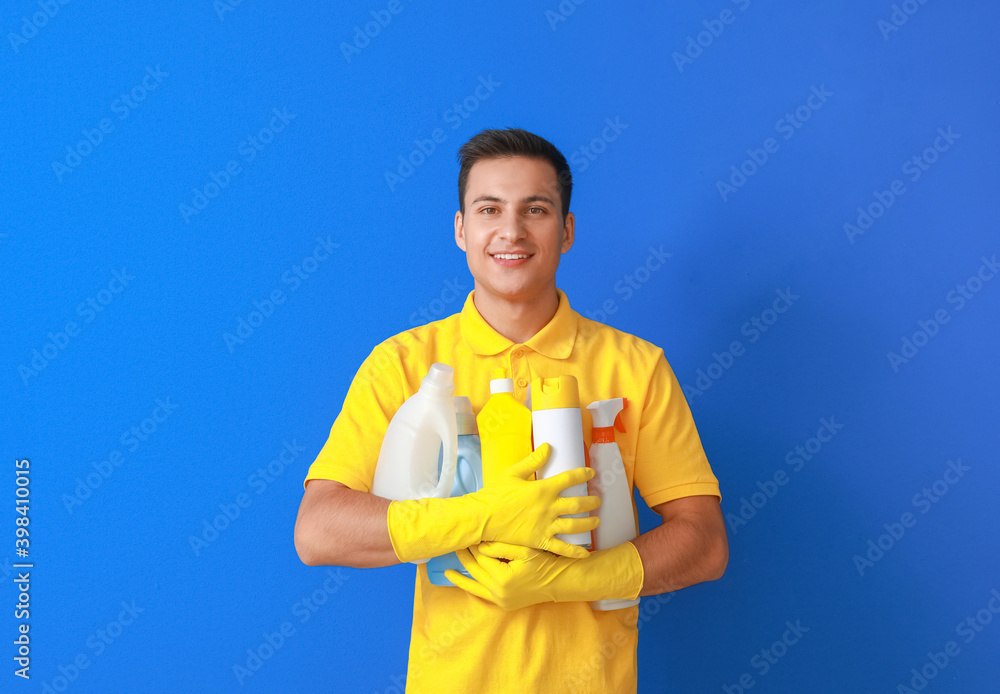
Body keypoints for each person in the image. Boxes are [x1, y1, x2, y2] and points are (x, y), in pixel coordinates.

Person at [294, 128, 728, 693]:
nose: (511, 230)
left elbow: (705, 543)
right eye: (489, 209)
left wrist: (570, 581)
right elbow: (319, 531)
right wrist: (487, 515)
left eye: (536, 209)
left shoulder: (636, 367)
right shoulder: (403, 364)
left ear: (566, 230)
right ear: (461, 229)